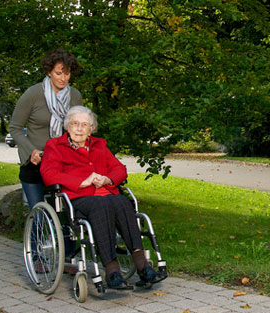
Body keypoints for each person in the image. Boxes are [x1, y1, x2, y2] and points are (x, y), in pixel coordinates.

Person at [40, 106, 165, 290]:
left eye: (85, 125)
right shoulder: (55, 146)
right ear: (67, 126)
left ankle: (143, 266)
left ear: (91, 128)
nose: (80, 129)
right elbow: (49, 174)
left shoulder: (100, 145)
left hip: (108, 195)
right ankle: (112, 271)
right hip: (79, 199)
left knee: (122, 201)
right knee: (101, 205)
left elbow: (119, 169)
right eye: (75, 124)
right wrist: (82, 181)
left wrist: (108, 179)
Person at [10, 48, 83, 211]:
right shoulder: (33, 94)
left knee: (65, 212)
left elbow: (79, 128)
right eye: (58, 73)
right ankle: (36, 236)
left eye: (67, 73)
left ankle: (64, 236)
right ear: (49, 71)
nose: (63, 78)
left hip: (62, 161)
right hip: (35, 162)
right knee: (38, 212)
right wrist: (32, 151)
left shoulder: (75, 96)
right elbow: (15, 128)